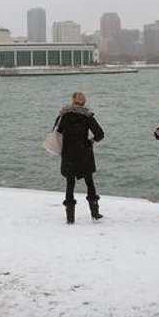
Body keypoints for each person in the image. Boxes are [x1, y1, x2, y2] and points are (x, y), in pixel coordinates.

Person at [55, 91, 105, 224]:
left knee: (70, 184)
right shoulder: (87, 116)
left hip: (69, 153)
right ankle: (95, 214)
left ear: (72, 101)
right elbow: (100, 134)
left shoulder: (64, 115)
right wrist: (90, 141)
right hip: (84, 153)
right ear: (84, 102)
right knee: (89, 182)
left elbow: (57, 132)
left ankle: (70, 218)